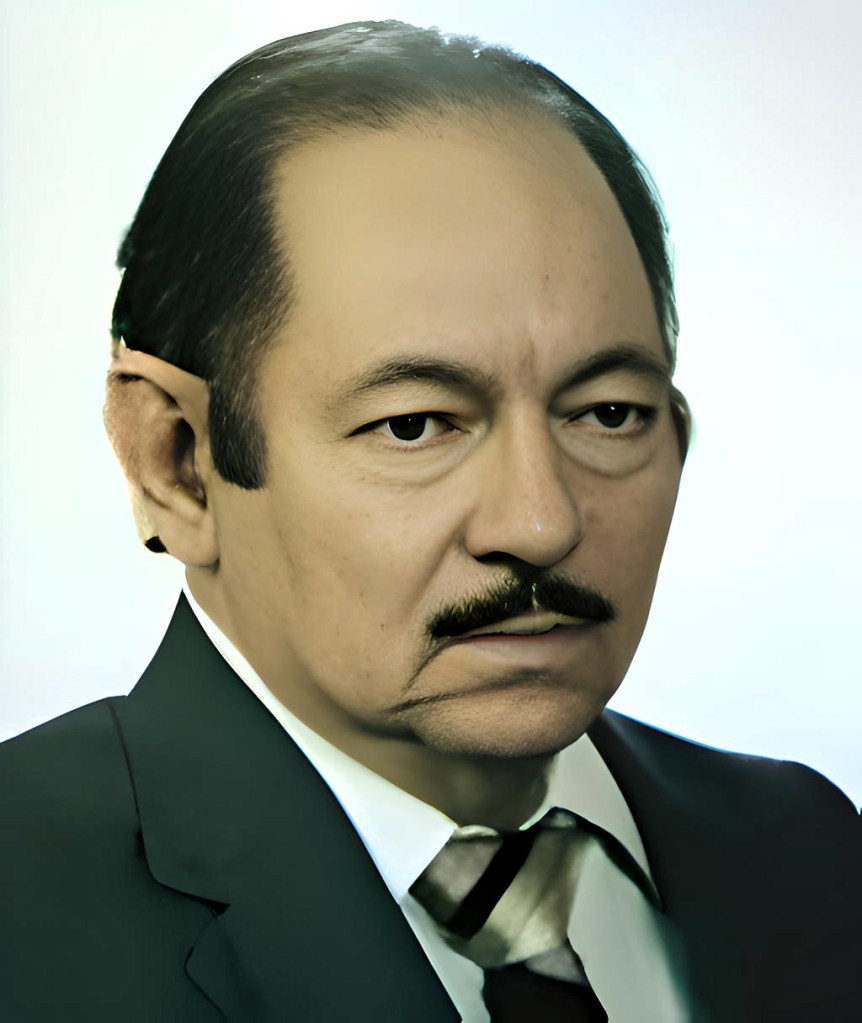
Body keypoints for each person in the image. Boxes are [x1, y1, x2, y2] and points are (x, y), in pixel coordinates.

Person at [0, 20, 858, 1023]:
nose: (540, 523)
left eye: (607, 413)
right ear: (177, 463)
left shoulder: (805, 847)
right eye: (413, 425)